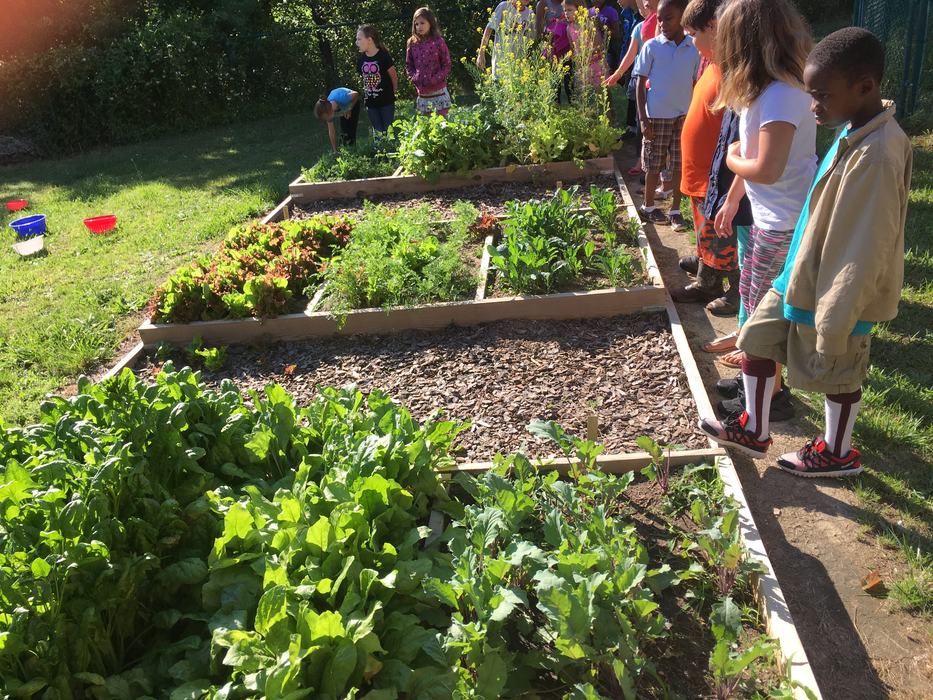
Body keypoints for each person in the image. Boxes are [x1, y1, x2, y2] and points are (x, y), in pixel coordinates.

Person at [700, 27, 911, 477]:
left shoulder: (877, 155)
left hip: (840, 287)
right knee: (755, 337)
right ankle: (753, 429)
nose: (813, 106)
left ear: (865, 87)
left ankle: (838, 452)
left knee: (841, 370)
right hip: (802, 267)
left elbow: (867, 243)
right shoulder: (854, 127)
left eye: (821, 96)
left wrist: (838, 313)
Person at [709, 0, 816, 406]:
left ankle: (772, 397)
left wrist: (734, 155)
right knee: (753, 303)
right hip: (768, 218)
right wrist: (734, 197)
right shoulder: (763, 92)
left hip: (783, 221)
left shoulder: (781, 97)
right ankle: (758, 383)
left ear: (745, 42)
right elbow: (757, 162)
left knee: (765, 314)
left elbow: (766, 167)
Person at [670, 0, 734, 310]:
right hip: (701, 171)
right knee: (703, 225)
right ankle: (705, 265)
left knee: (721, 235)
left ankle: (715, 285)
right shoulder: (711, 61)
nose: (691, 42)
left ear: (714, 29)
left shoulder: (733, 71)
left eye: (693, 34)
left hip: (716, 172)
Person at [633, 0, 699, 231]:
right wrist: (643, 119)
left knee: (679, 165)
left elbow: (695, 81)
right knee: (653, 164)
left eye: (667, 18)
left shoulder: (693, 48)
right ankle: (649, 207)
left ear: (682, 18)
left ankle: (675, 210)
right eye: (659, 19)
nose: (661, 23)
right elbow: (640, 85)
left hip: (683, 117)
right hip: (656, 118)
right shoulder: (651, 47)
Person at [406, 7, 452, 117]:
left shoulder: (438, 42)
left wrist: (435, 79)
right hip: (422, 94)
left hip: (439, 92)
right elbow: (409, 65)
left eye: (422, 23)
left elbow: (446, 64)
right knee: (426, 127)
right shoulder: (412, 43)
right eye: (416, 24)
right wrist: (415, 78)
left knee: (442, 125)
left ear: (430, 23)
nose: (419, 27)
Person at [355, 25, 398, 134]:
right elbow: (364, 79)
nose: (357, 42)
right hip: (371, 103)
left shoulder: (383, 56)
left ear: (369, 40)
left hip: (386, 101)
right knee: (378, 131)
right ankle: (380, 149)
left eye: (359, 39)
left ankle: (391, 148)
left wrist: (393, 91)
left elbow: (393, 76)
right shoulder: (361, 60)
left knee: (388, 130)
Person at [477, 0, 535, 78]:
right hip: (500, 61)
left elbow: (533, 37)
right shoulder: (504, 6)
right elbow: (489, 28)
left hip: (518, 64)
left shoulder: (530, 13)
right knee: (498, 85)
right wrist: (481, 54)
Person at [564, 0, 606, 90]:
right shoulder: (569, 28)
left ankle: (607, 104)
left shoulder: (588, 25)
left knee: (601, 91)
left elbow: (600, 46)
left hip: (596, 63)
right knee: (583, 91)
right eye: (565, 10)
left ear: (580, 9)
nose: (566, 13)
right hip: (582, 65)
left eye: (570, 10)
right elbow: (573, 48)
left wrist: (586, 54)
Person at [314, 88, 360, 152]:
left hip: (353, 102)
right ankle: (343, 149)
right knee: (344, 130)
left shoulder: (342, 98)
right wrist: (334, 150)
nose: (327, 119)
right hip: (342, 107)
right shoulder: (328, 111)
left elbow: (356, 94)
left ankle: (352, 150)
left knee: (350, 130)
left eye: (326, 117)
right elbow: (331, 131)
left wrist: (349, 109)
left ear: (328, 110)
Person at [592, 0, 622, 73]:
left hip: (609, 51)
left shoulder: (611, 11)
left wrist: (602, 26)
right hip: (593, 52)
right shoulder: (589, 12)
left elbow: (617, 34)